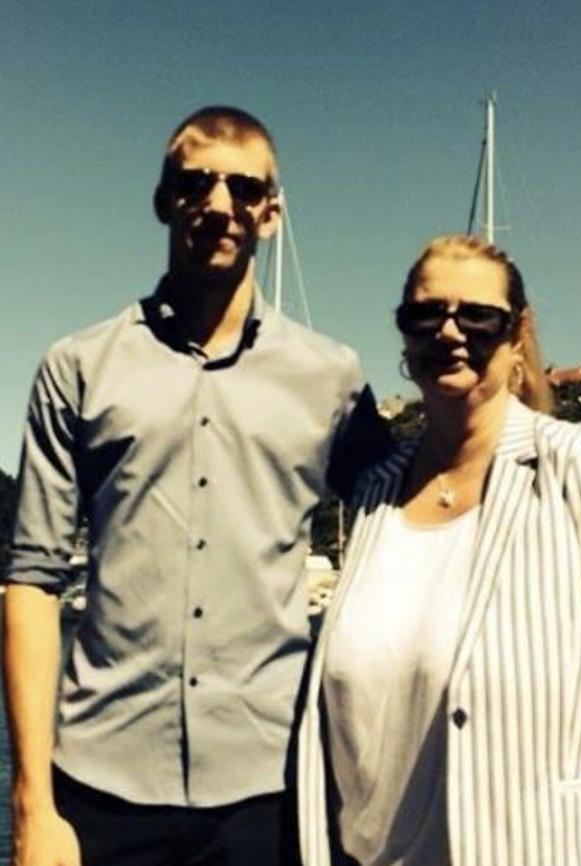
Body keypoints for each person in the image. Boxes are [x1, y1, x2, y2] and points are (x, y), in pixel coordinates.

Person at [2, 106, 390, 866]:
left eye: (244, 188)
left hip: (272, 790)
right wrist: (32, 803)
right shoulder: (77, 367)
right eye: (196, 183)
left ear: (270, 212)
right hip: (99, 788)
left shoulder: (333, 378)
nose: (220, 204)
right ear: (163, 200)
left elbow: (413, 517)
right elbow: (33, 580)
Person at [298, 234, 581, 866]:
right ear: (405, 335)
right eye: (426, 314)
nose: (450, 333)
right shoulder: (376, 491)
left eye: (478, 317)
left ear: (517, 334)